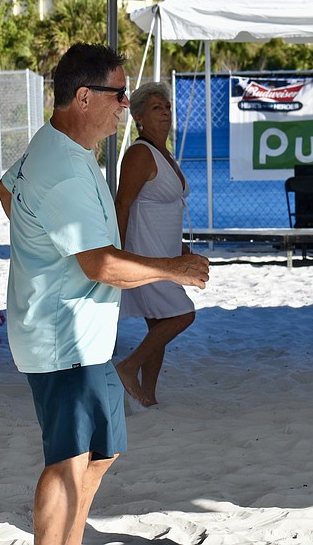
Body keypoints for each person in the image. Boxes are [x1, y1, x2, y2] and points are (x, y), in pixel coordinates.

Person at [0, 43, 210, 545]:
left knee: (102, 449)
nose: (126, 106)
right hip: (60, 335)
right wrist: (172, 269)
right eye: (119, 95)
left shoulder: (56, 145)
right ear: (85, 97)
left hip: (78, 334)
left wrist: (39, 246)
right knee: (68, 460)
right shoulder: (66, 168)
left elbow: (7, 191)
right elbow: (100, 265)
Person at [113, 82, 195, 407]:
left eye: (168, 108)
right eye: (157, 108)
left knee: (159, 325)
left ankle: (148, 396)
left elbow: (166, 209)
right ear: (139, 117)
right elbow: (122, 205)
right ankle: (128, 367)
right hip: (144, 254)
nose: (165, 113)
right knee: (182, 315)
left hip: (166, 253)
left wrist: (181, 249)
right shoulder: (139, 153)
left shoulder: (164, 154)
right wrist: (117, 254)